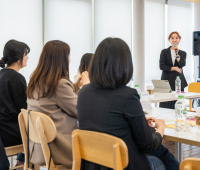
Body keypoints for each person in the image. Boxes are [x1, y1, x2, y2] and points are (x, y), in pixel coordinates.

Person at [77, 38, 179, 170]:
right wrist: (160, 129)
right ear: (125, 65)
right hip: (121, 165)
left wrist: (138, 121)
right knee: (163, 156)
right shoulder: (127, 95)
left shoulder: (84, 92)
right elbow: (147, 145)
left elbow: (108, 123)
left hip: (94, 165)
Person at [26, 40, 90, 169]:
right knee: (101, 152)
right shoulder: (59, 85)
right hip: (59, 148)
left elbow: (58, 100)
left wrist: (76, 86)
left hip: (38, 148)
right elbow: (82, 111)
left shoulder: (35, 82)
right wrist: (87, 87)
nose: (70, 60)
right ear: (61, 59)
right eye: (68, 56)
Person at [0, 40, 30, 169]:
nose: (27, 57)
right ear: (19, 59)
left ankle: (19, 164)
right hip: (11, 131)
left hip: (2, 130)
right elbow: (23, 108)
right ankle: (21, 165)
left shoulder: (2, 75)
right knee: (35, 135)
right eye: (25, 55)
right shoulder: (16, 78)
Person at [159, 31, 188, 109]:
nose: (174, 40)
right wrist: (174, 68)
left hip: (178, 81)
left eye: (176, 38)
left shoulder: (183, 53)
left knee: (178, 105)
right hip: (167, 81)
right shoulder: (164, 52)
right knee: (165, 105)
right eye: (172, 38)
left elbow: (182, 64)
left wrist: (178, 56)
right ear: (169, 40)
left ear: (179, 40)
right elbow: (162, 66)